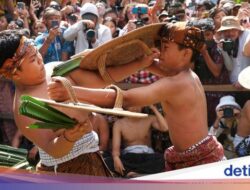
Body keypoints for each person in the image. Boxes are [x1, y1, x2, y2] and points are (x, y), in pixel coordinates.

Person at [48, 22, 225, 171]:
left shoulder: (177, 83)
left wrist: (71, 91)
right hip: (191, 154)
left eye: (165, 48)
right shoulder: (185, 74)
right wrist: (135, 60)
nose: (160, 52)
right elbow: (151, 64)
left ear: (186, 54)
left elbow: (126, 99)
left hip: (199, 160)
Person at [0, 29, 155, 176]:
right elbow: (51, 148)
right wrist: (69, 137)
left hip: (92, 157)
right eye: (33, 59)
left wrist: (140, 63)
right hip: (63, 170)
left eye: (37, 53)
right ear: (14, 73)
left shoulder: (54, 69)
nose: (40, 59)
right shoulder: (25, 108)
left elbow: (101, 78)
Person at [107, 105, 168, 177]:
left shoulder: (149, 119)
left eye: (138, 105)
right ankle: (138, 173)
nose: (135, 108)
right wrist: (116, 158)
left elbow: (165, 128)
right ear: (126, 107)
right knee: (108, 161)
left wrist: (154, 108)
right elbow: (116, 148)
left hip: (148, 156)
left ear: (143, 106)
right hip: (130, 157)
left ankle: (133, 173)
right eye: (132, 105)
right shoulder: (119, 124)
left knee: (162, 159)